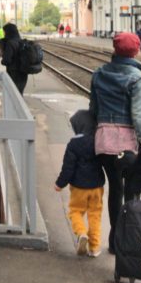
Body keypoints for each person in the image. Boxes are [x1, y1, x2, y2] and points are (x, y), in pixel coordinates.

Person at [88, 32, 141, 254]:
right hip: (126, 144)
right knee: (131, 190)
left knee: (115, 188)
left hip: (103, 140)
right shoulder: (138, 78)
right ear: (136, 51)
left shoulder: (99, 74)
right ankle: (127, 240)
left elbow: (93, 110)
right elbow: (139, 117)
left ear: (115, 50)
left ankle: (115, 240)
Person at [54, 110, 105, 257]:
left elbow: (68, 168)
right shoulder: (98, 141)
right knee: (95, 215)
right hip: (97, 186)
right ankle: (94, 248)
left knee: (75, 211)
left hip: (79, 187)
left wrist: (60, 184)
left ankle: (81, 233)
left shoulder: (73, 144)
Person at [0, 22, 28, 95]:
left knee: (13, 95)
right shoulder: (22, 42)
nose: (4, 34)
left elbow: (6, 60)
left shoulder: (10, 43)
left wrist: (2, 60)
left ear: (8, 32)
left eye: (5, 32)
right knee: (19, 94)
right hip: (23, 72)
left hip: (13, 73)